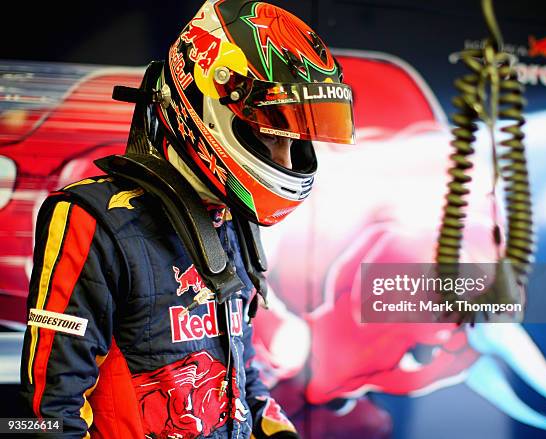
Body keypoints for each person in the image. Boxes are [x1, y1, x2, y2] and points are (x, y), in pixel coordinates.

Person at [19, 0, 354, 438]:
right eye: (272, 135)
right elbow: (46, 418)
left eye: (295, 143)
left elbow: (239, 375)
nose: (285, 160)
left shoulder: (234, 219)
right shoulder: (92, 219)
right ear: (209, 103)